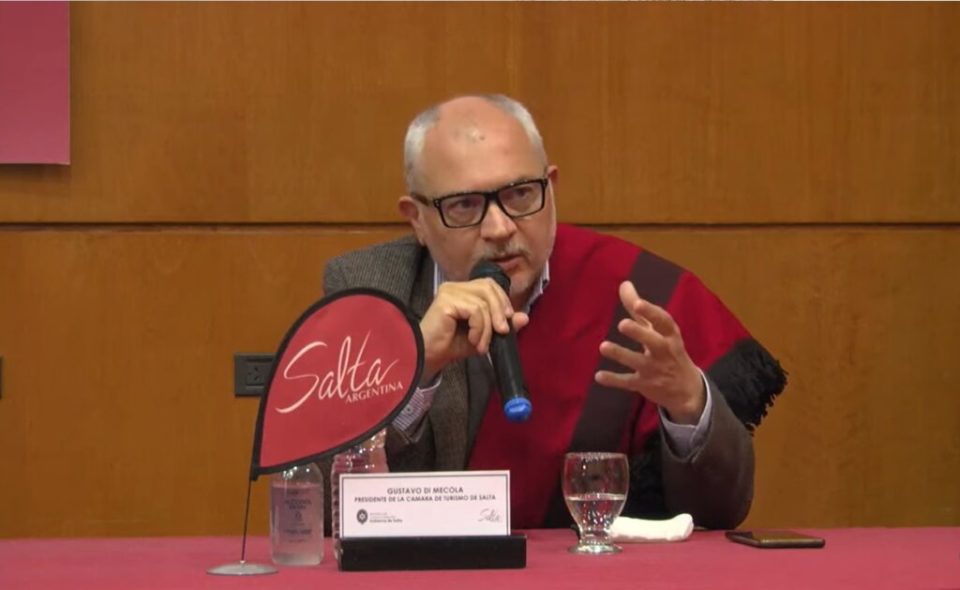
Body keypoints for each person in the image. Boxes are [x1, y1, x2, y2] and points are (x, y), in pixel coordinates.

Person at [323, 94, 786, 530]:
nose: (500, 228)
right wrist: (414, 369)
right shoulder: (370, 294)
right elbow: (325, 505)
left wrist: (686, 402)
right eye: (464, 205)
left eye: (521, 194)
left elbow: (721, 511)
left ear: (552, 188)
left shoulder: (632, 292)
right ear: (417, 220)